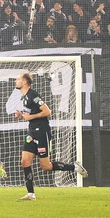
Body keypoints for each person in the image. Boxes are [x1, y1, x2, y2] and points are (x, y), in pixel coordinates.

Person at [13, 72, 87, 200]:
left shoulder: (33, 95)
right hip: (31, 132)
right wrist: (22, 116)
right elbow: (31, 114)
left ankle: (75, 167)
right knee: (25, 161)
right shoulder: (24, 97)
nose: (16, 80)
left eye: (18, 79)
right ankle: (31, 194)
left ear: (25, 82)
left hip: (42, 132)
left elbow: (47, 111)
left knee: (46, 166)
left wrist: (31, 117)